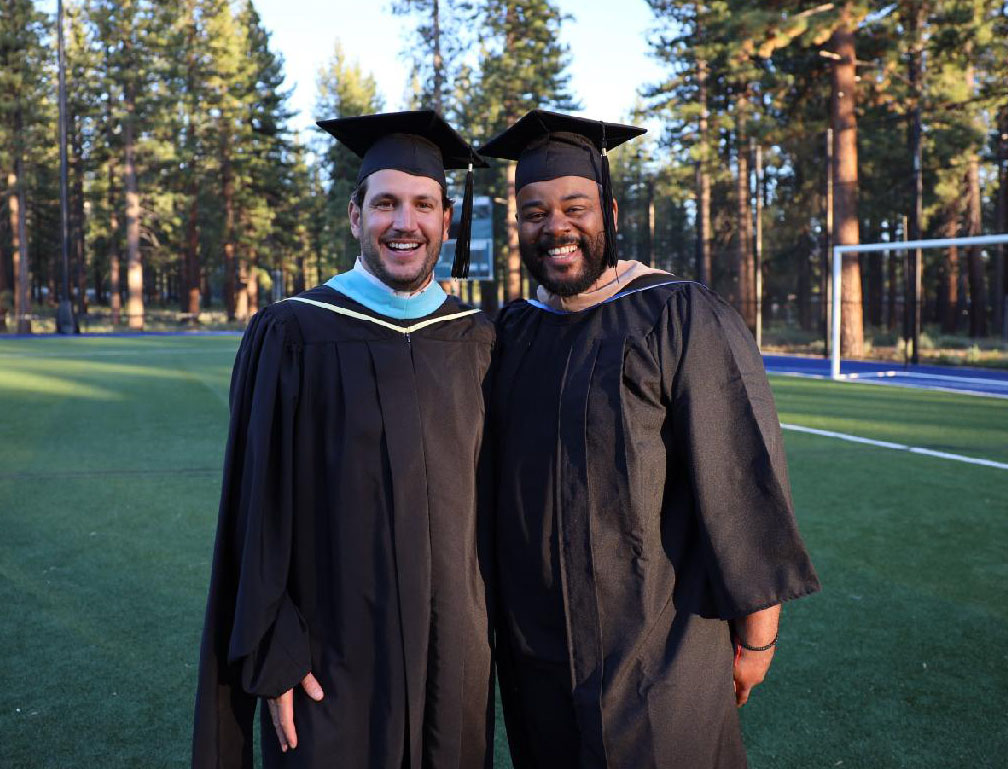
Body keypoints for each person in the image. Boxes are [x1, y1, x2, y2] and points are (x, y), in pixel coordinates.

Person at [479, 109, 821, 769]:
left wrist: (758, 637)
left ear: (608, 211)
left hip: (661, 654)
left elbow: (739, 474)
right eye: (534, 211)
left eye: (574, 206)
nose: (556, 227)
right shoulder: (512, 332)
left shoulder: (675, 314)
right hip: (537, 660)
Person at [191, 110, 495, 769]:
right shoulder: (295, 333)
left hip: (455, 662)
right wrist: (274, 649)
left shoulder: (476, 339)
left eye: (421, 205)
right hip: (330, 665)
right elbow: (257, 511)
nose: (403, 223)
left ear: (445, 219)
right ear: (356, 216)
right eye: (385, 203)